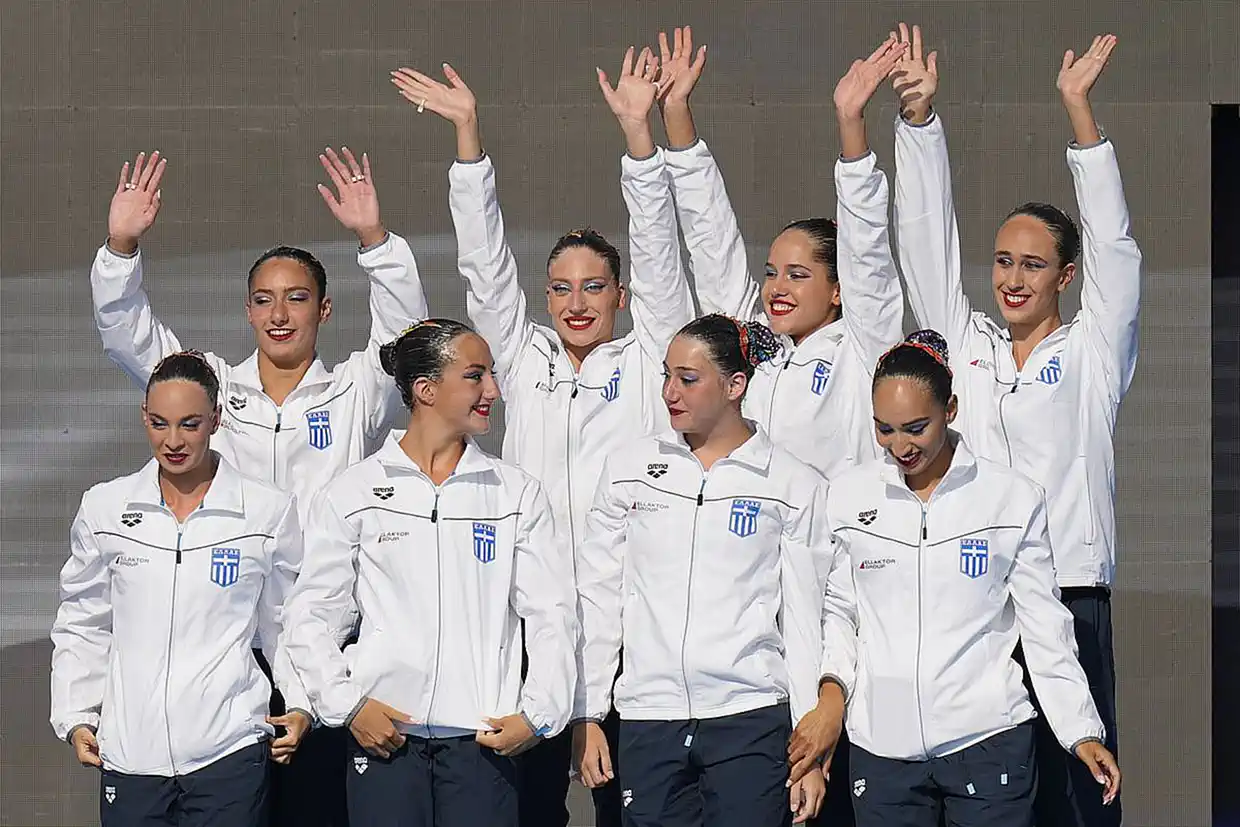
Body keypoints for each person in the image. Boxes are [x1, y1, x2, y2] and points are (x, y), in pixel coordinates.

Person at [390, 49, 695, 827]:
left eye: (594, 286)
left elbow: (660, 256)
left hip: (630, 627)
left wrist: (639, 139)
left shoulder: (651, 356)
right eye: (560, 287)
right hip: (526, 626)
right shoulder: (521, 358)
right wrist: (468, 136)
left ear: (621, 295)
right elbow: (483, 261)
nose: (576, 302)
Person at [91, 146, 430, 826]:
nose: (280, 313)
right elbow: (130, 336)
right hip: (229, 653)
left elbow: (407, 339)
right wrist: (121, 247)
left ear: (324, 309)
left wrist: (375, 240)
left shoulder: (354, 391)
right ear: (247, 310)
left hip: (328, 645)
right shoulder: (211, 385)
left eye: (297, 298)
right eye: (265, 299)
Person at [889, 27, 1140, 827]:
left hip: (1068, 595)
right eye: (1002, 261)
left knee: (1079, 802)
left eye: (1032, 264)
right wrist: (919, 124)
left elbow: (1117, 249)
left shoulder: (1094, 352)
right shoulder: (970, 348)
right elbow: (926, 246)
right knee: (996, 805)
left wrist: (1080, 116)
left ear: (1065, 276)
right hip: (979, 601)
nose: (1012, 278)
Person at [797, 330, 1121, 827]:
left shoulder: (1011, 498)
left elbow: (1044, 627)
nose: (900, 446)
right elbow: (840, 614)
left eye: (915, 428)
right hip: (882, 750)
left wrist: (1081, 729)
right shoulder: (848, 497)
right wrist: (831, 697)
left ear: (950, 409)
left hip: (987, 741)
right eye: (884, 429)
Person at [280, 319, 579, 827]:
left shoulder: (515, 493)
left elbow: (553, 613)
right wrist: (348, 707)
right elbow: (309, 617)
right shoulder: (354, 491)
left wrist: (538, 715)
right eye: (476, 376)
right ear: (426, 389)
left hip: (483, 744)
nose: (493, 390)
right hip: (385, 741)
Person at [573, 314, 832, 827]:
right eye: (666, 375)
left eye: (688, 379)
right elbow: (599, 597)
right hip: (649, 715)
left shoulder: (793, 483)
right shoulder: (627, 468)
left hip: (749, 715)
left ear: (736, 386)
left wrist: (809, 751)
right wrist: (589, 712)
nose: (670, 392)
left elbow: (805, 620)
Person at [50, 352, 311, 827]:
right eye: (160, 423)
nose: (173, 441)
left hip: (229, 752)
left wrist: (300, 702)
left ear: (216, 419)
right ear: (144, 417)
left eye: (189, 424)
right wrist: (76, 714)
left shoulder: (267, 511)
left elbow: (286, 622)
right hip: (130, 756)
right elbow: (84, 620)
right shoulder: (105, 508)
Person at [654, 27, 907, 482]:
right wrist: (675, 113)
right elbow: (712, 243)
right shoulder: (753, 347)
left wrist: (850, 121)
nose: (777, 288)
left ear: (838, 289)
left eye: (798, 275)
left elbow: (867, 252)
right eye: (771, 273)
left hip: (830, 527)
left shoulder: (862, 349)